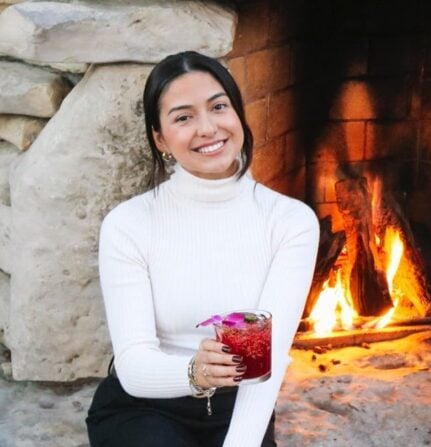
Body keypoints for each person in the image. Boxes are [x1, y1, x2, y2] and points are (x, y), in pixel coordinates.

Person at [85, 51, 320, 447]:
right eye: (183, 117)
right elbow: (134, 365)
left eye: (218, 107)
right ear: (160, 138)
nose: (208, 128)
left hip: (237, 405)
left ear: (238, 114)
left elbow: (269, 359)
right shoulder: (128, 224)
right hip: (147, 405)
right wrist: (196, 373)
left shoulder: (289, 221)